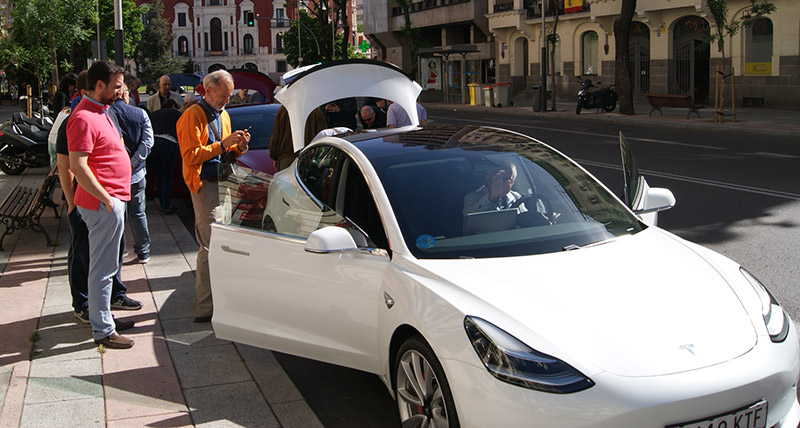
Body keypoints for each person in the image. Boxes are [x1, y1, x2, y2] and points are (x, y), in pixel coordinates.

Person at [67, 60, 137, 349]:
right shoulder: (83, 117)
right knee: (103, 269)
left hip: (110, 200)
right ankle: (103, 329)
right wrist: (106, 199)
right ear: (99, 85)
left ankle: (104, 316)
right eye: (117, 86)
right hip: (103, 204)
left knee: (108, 266)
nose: (121, 92)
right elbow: (78, 166)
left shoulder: (101, 110)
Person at [177, 70, 250, 323]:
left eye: (229, 96)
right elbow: (190, 155)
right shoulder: (192, 116)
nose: (226, 101)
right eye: (223, 96)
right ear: (207, 91)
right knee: (209, 246)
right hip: (205, 185)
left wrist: (238, 146)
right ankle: (204, 306)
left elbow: (226, 152)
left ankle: (219, 300)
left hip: (223, 182)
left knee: (222, 245)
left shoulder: (224, 114)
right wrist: (223, 144)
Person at [111, 89, 154, 264]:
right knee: (138, 212)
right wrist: (134, 162)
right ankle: (143, 251)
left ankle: (120, 251)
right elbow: (148, 142)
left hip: (114, 174)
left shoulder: (106, 115)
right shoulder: (140, 113)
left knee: (117, 215)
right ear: (125, 95)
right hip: (136, 173)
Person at [147, 97, 182, 214]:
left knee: (158, 175)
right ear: (173, 106)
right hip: (169, 143)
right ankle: (166, 206)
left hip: (154, 143)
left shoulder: (154, 114)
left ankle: (161, 202)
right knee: (167, 176)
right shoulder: (176, 114)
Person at [268, 105, 328, 171]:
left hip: (287, 157)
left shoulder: (284, 109)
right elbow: (322, 134)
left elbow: (276, 135)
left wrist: (274, 156)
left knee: (285, 180)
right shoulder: (315, 110)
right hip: (308, 156)